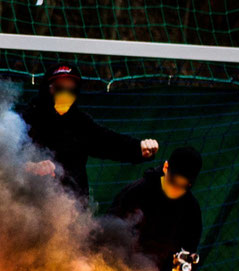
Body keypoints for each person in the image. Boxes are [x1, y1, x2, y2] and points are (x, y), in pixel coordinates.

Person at [22, 64, 159, 199]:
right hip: (29, 206)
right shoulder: (26, 120)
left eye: (71, 89)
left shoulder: (80, 123)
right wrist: (30, 166)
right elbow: (7, 159)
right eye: (59, 87)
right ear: (47, 88)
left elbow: (109, 142)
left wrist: (139, 148)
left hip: (73, 209)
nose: (65, 93)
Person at [108, 146, 203, 271]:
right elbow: (109, 230)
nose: (176, 189)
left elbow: (189, 251)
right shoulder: (137, 192)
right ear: (165, 167)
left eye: (184, 185)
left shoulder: (191, 211)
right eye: (174, 181)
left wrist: (181, 270)